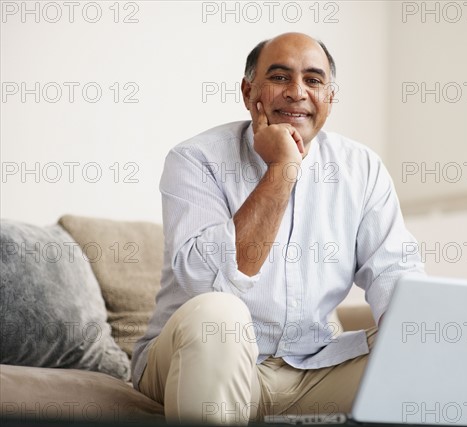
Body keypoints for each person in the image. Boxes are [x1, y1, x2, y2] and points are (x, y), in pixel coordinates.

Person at [131, 32, 424, 425]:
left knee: (434, 343)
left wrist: (413, 342)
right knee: (219, 314)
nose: (297, 92)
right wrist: (281, 169)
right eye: (280, 77)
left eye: (313, 80)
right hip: (202, 358)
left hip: (313, 369)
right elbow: (207, 284)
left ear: (330, 98)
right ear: (249, 91)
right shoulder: (195, 159)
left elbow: (395, 273)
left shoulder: (362, 169)